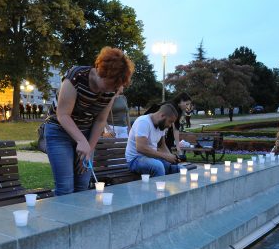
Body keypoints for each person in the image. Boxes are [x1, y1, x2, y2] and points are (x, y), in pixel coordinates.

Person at [44, 47, 134, 196]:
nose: (113, 90)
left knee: (82, 184)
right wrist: (82, 142)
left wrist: (89, 148)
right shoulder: (76, 76)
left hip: (86, 133)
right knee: (65, 187)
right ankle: (64, 219)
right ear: (102, 71)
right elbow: (63, 114)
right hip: (59, 132)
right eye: (111, 84)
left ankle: (80, 218)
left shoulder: (112, 90)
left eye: (116, 87)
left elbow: (100, 120)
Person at [126, 104, 181, 177]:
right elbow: (141, 148)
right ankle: (159, 187)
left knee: (178, 168)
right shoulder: (143, 122)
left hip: (152, 158)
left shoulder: (161, 125)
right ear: (162, 116)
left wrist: (171, 157)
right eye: (170, 122)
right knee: (158, 166)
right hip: (135, 160)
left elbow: (161, 145)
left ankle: (177, 188)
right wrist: (165, 157)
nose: (170, 125)